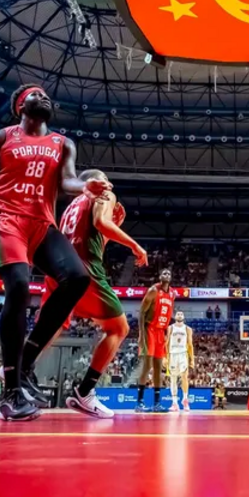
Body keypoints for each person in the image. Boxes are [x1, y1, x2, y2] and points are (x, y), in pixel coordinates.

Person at [0, 84, 111, 422]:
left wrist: (85, 187)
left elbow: (68, 181)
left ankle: (26, 360)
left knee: (76, 278)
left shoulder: (63, 143)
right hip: (4, 217)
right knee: (18, 286)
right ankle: (11, 392)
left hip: (41, 223)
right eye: (35, 94)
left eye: (46, 95)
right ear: (20, 105)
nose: (43, 97)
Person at [27, 169, 148, 419]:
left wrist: (114, 226)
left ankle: (18, 369)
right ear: (96, 181)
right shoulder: (104, 194)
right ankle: (85, 391)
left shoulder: (72, 205)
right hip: (86, 270)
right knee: (119, 328)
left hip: (59, 267)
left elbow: (92, 235)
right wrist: (135, 245)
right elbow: (101, 224)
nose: (109, 185)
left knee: (54, 323)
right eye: (105, 180)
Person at [136, 269, 175, 413]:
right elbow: (141, 312)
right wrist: (141, 334)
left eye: (169, 274)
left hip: (160, 332)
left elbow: (168, 313)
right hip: (149, 329)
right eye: (164, 273)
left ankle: (157, 404)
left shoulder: (172, 294)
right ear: (160, 277)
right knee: (147, 366)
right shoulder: (153, 291)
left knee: (159, 368)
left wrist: (166, 333)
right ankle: (139, 403)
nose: (166, 275)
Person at [166, 310, 195, 412]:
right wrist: (165, 357)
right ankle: (174, 403)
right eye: (178, 314)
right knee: (173, 379)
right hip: (172, 354)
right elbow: (166, 343)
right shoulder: (170, 328)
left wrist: (192, 359)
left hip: (183, 354)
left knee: (184, 376)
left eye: (181, 314)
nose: (179, 315)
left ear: (184, 317)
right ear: (175, 316)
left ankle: (185, 399)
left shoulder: (188, 329)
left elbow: (190, 345)